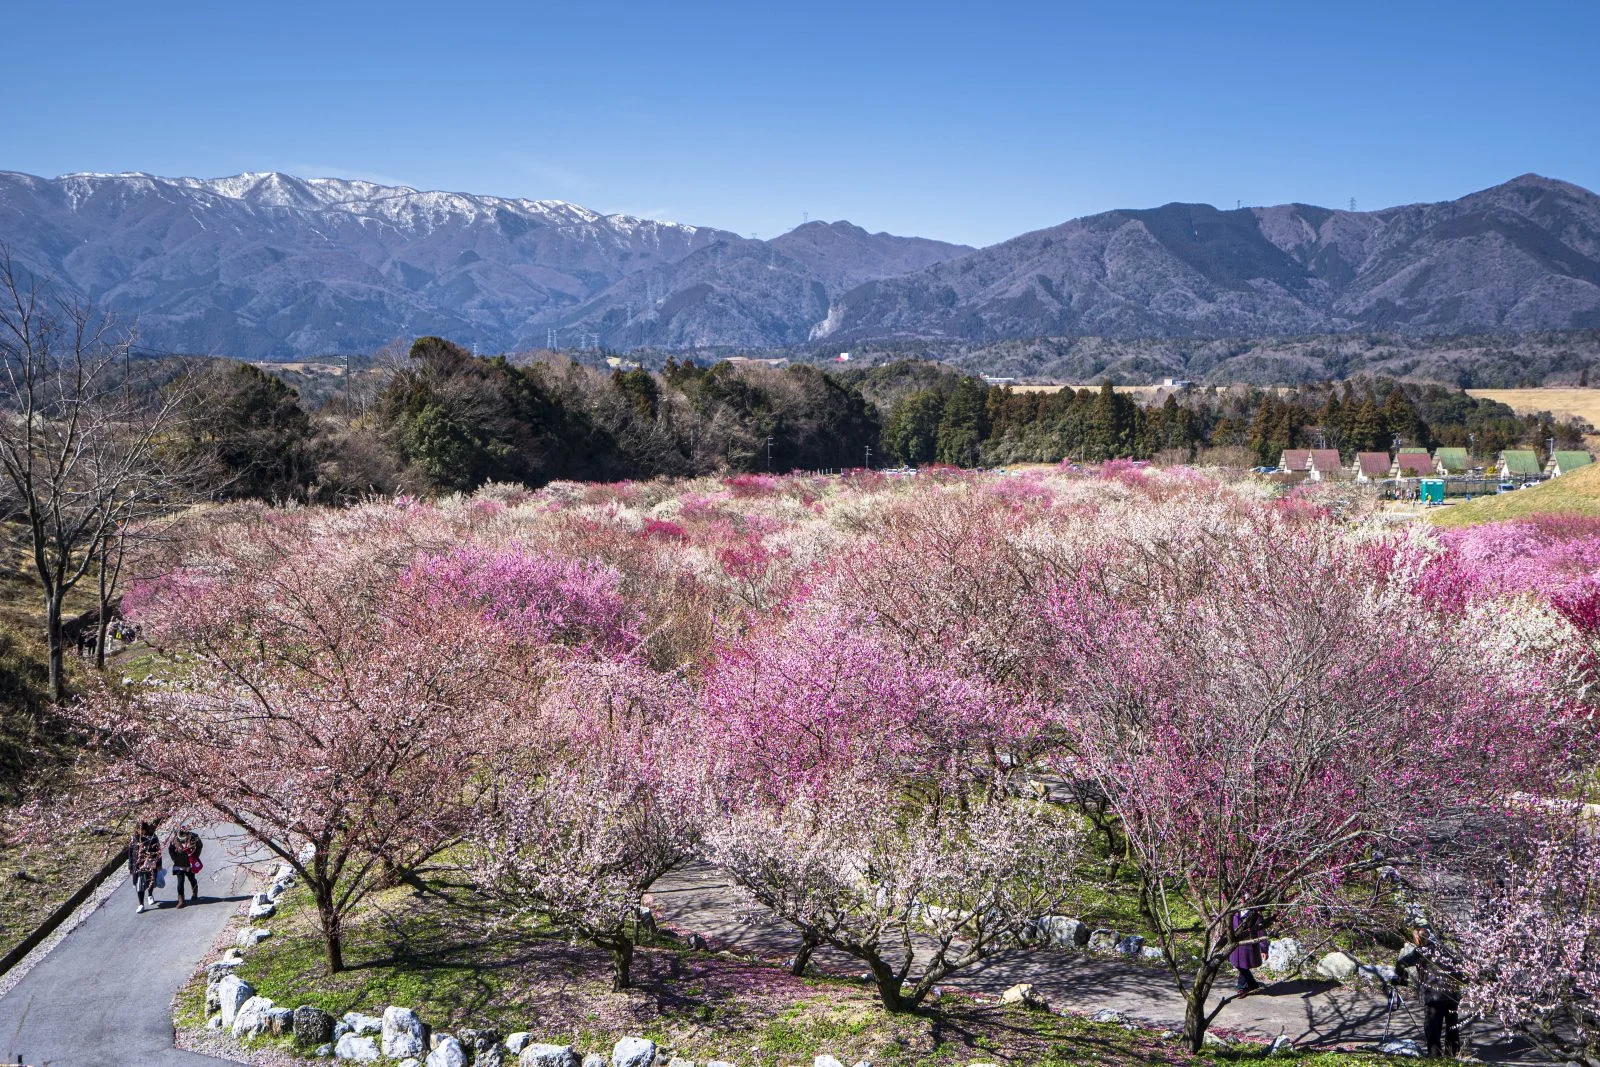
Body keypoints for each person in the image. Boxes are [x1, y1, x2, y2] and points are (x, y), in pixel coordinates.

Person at [1397, 929, 1461, 1058]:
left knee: (1433, 1027)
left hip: (1433, 995)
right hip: (1452, 994)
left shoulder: (1422, 951)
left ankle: (1434, 1055)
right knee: (1452, 1025)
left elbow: (1401, 963)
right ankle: (1453, 1053)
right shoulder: (1445, 950)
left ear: (1418, 939)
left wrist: (1401, 977)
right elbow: (1459, 969)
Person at [1229, 908, 1267, 995]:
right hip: (1235, 947)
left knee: (1244, 966)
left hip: (1248, 947)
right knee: (1239, 966)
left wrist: (1264, 949)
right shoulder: (1234, 914)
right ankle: (1252, 984)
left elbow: (1262, 932)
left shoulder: (1256, 915)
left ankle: (1241, 987)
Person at [128, 820, 163, 913]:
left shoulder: (152, 837)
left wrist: (159, 864)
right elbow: (130, 853)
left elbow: (158, 851)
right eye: (139, 830)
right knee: (139, 884)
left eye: (142, 830)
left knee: (151, 881)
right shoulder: (134, 839)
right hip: (138, 865)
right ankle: (141, 904)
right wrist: (130, 867)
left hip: (150, 863)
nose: (141, 832)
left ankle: (150, 895)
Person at [167, 826, 204, 908]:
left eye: (184, 836)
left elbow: (200, 846)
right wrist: (174, 859)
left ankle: (195, 891)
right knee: (180, 882)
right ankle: (181, 901)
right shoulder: (174, 839)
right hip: (179, 862)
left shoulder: (194, 837)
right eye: (181, 837)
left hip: (189, 861)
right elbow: (170, 850)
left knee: (191, 878)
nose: (182, 839)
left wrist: (195, 857)